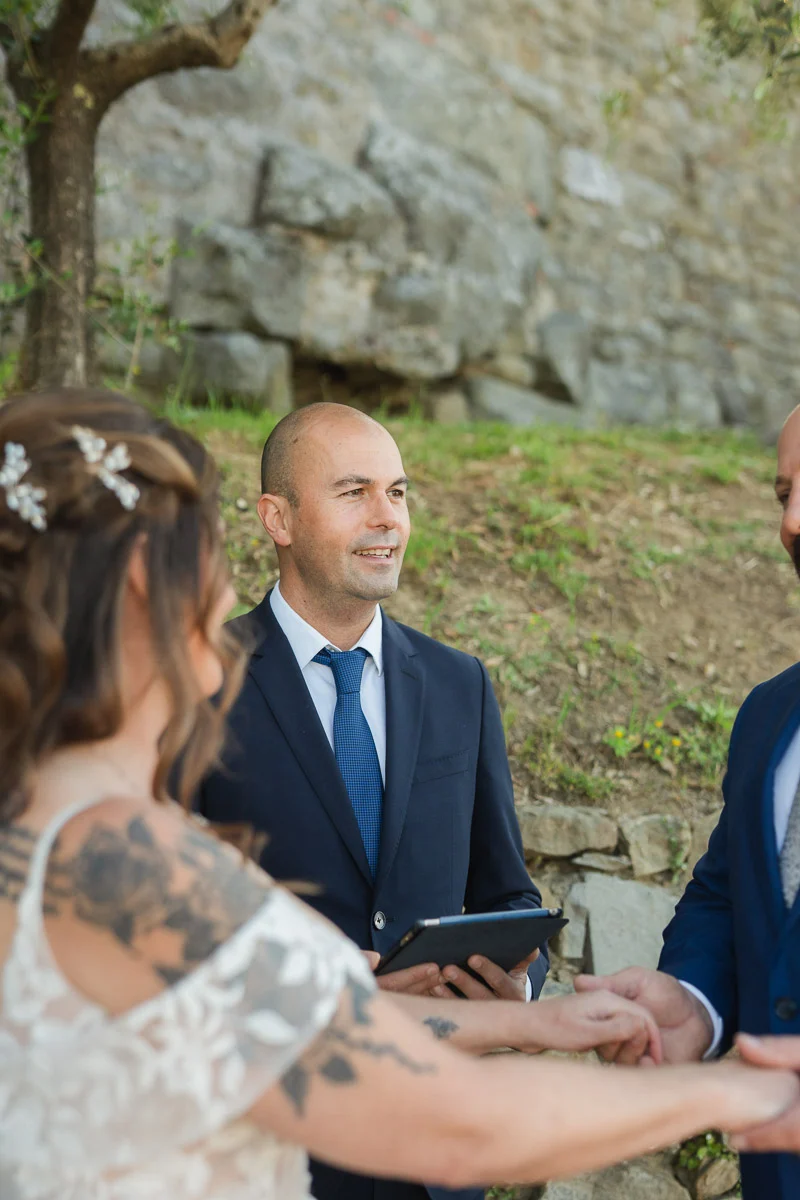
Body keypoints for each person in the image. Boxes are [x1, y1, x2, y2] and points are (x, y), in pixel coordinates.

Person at [1, 387, 797, 1200]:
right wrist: (750, 1092)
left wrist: (531, 1017)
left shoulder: (48, 839)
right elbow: (449, 1121)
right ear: (144, 588)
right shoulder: (122, 864)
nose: (217, 600)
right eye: (203, 561)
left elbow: (318, 1021)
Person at [197, 401, 547, 1200]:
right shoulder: (198, 682)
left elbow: (506, 892)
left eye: (399, 491)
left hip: (434, 1153)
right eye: (354, 492)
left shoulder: (461, 684)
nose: (387, 518)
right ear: (276, 517)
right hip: (271, 1146)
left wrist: (517, 987)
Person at [576, 403, 800, 1200]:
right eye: (782, 494)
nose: (793, 523)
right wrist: (697, 1006)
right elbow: (726, 897)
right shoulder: (767, 717)